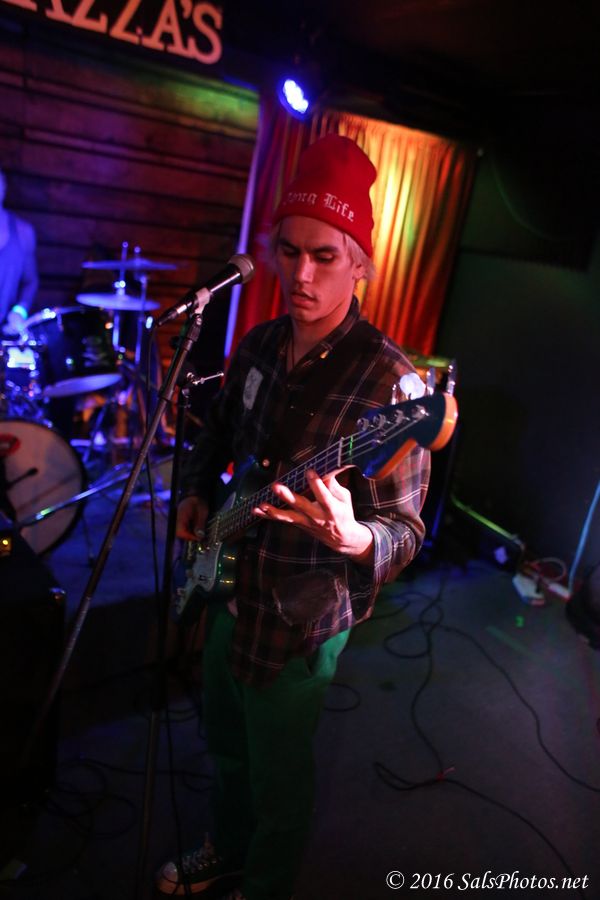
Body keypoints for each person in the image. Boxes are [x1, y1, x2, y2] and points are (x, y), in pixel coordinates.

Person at [156, 134, 430, 900]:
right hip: (228, 584)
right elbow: (213, 435)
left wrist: (354, 536)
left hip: (302, 614)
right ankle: (226, 849)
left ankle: (265, 883)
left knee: (279, 772)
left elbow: (406, 531)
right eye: (290, 252)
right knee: (225, 742)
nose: (302, 275)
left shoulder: (391, 384)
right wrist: (195, 493)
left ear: (361, 263)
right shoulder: (258, 344)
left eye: (325, 257)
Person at [0, 167, 39, 333]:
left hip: (4, 333)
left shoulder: (23, 232)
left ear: (4, 186)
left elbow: (30, 281)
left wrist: (19, 310)